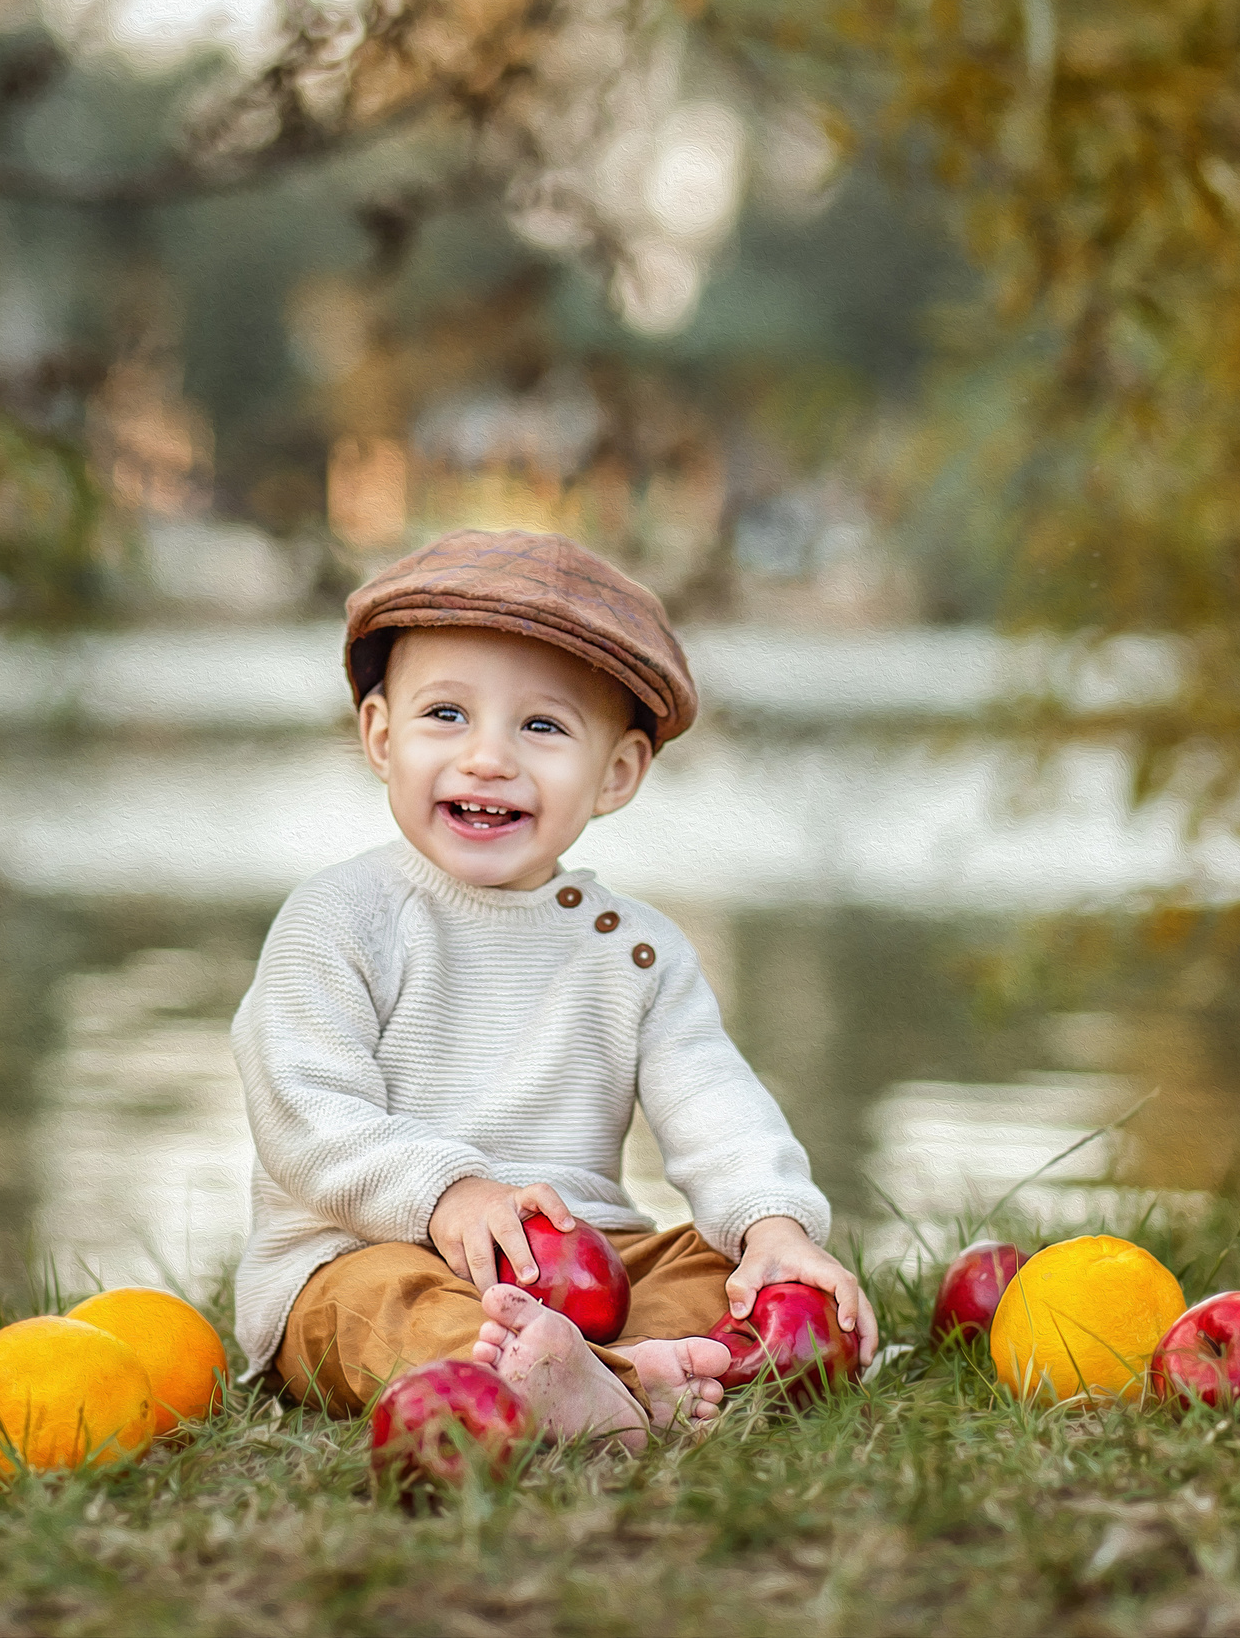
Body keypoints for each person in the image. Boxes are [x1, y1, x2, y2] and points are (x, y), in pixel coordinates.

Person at [231, 529, 876, 1449]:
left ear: (615, 773)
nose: (488, 757)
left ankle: (601, 1373)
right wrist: (450, 1194)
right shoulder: (340, 918)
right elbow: (304, 1110)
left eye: (541, 726)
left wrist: (774, 1227)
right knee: (377, 1305)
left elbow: (717, 1103)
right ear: (380, 735)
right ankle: (606, 1381)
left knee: (722, 1267)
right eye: (446, 714)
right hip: (374, 1250)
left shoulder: (635, 950)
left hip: (589, 1269)